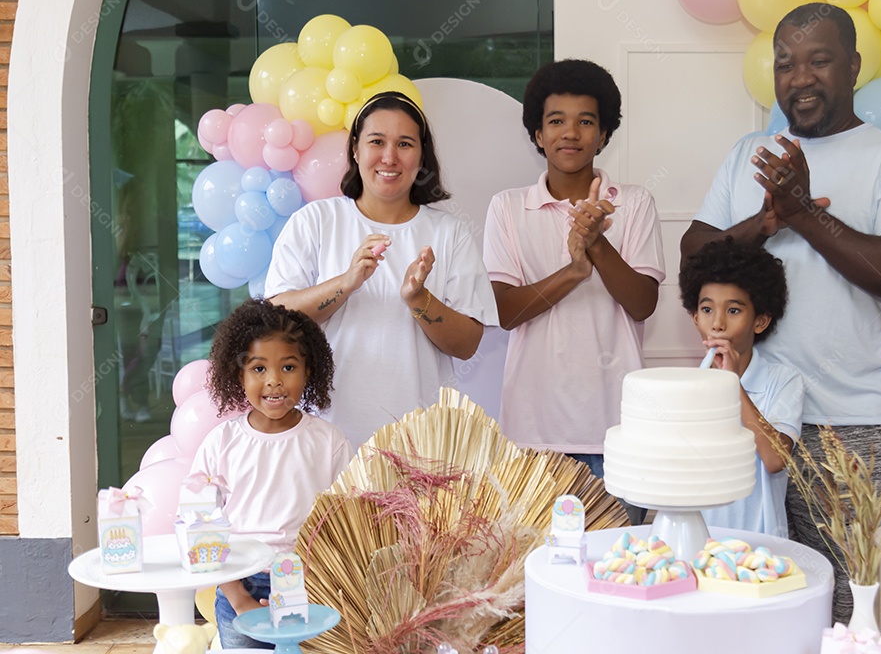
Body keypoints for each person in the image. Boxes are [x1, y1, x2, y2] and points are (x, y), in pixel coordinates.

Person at [680, 3, 881, 619]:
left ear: (853, 66)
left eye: (818, 61)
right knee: (746, 600)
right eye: (785, 63)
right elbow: (695, 256)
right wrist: (766, 221)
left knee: (850, 603)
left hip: (844, 427)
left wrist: (804, 212)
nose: (799, 77)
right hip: (747, 420)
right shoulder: (750, 152)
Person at [265, 91, 499, 446]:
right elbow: (277, 320)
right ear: (355, 150)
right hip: (326, 439)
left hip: (421, 443)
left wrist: (419, 299)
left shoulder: (449, 232)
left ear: (422, 157)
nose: (390, 157)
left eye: (405, 144)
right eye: (377, 141)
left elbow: (467, 344)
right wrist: (346, 283)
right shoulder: (316, 220)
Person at [483, 59, 665, 498]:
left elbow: (643, 304)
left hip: (618, 433)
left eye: (586, 121)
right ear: (537, 135)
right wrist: (574, 271)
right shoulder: (507, 207)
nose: (571, 132)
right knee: (533, 568)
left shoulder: (634, 203)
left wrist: (597, 245)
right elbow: (505, 312)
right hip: (531, 439)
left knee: (614, 565)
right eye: (556, 121)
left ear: (603, 135)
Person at [192, 298, 352, 650]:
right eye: (259, 369)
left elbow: (345, 523)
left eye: (289, 367)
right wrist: (238, 598)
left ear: (309, 371)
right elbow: (197, 523)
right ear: (239, 375)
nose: (275, 382)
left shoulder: (329, 443)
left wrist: (314, 588)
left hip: (311, 585)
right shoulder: (222, 442)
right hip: (238, 582)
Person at [678, 238, 803, 538]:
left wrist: (732, 384)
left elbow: (775, 461)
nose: (717, 323)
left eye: (733, 311)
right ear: (695, 319)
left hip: (759, 549)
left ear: (760, 321)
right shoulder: (684, 389)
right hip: (696, 542)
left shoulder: (784, 381)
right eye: (707, 310)